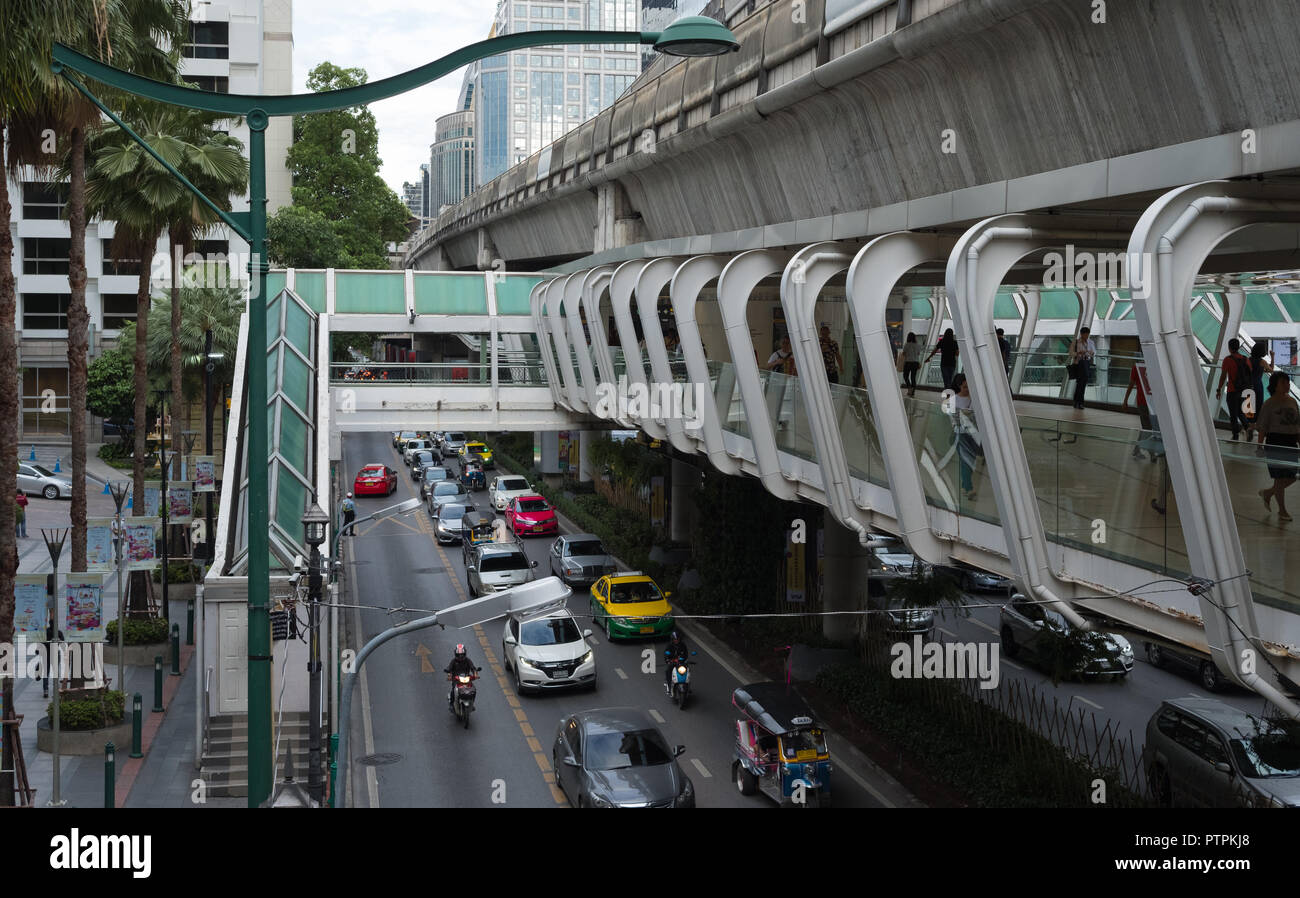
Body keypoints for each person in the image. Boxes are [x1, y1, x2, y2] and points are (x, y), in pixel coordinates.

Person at [1255, 370, 1299, 522]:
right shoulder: (1269, 404)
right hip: (1275, 442)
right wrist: (1259, 446)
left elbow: (1297, 425)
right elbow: (1263, 427)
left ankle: (1268, 493)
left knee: (1293, 475)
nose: (1287, 385)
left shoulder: (1292, 401)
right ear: (1275, 385)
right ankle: (1282, 510)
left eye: (1287, 382)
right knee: (1280, 478)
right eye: (1283, 382)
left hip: (1291, 442)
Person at [1215, 338, 1252, 440]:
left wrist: (1218, 389)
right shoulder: (1246, 359)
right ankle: (1248, 427)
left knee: (1233, 414)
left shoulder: (1228, 360)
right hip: (1244, 390)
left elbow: (1223, 376)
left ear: (1229, 348)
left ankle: (1235, 436)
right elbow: (1250, 373)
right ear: (1238, 347)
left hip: (1233, 390)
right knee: (1240, 412)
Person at [951, 374, 981, 500]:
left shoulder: (974, 399)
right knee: (965, 461)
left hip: (973, 435)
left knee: (971, 461)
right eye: (964, 387)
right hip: (960, 434)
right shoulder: (953, 400)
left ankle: (964, 486)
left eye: (968, 387)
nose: (967, 389)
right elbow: (953, 419)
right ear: (959, 386)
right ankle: (969, 489)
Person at [1122, 361, 1155, 460]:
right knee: (1148, 428)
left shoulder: (1138, 367)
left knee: (1147, 428)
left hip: (1149, 403)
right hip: (1145, 403)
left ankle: (1137, 449)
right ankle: (1151, 453)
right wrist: (1125, 400)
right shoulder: (1142, 366)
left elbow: (1131, 384)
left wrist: (1125, 400)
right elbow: (1131, 384)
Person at [1245, 341, 1273, 441]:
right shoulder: (1262, 362)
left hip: (1248, 385)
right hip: (1257, 386)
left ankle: (1249, 428)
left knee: (1249, 408)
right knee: (1257, 407)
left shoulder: (1248, 360)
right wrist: (1272, 357)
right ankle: (1253, 428)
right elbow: (1271, 370)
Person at [1067, 327, 1096, 410]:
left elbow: (1094, 352)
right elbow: (1071, 353)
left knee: (1082, 383)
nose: (1087, 336)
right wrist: (1078, 353)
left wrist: (1090, 352)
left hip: (1086, 363)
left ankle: (1077, 402)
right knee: (1080, 383)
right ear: (1081, 334)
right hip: (1079, 363)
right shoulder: (1076, 342)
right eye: (1085, 334)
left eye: (1088, 334)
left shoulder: (1091, 342)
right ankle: (1079, 402)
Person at [444, 643, 481, 708]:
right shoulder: (453, 661)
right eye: (459, 655)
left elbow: (473, 668)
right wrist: (449, 674)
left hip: (466, 677)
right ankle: (451, 704)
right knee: (453, 690)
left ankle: (472, 703)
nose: (460, 657)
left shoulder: (468, 660)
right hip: (456, 679)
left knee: (473, 690)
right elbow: (449, 668)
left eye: (462, 655)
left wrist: (475, 673)